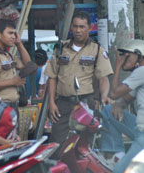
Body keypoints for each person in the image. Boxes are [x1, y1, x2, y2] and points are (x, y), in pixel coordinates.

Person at [44, 11, 113, 158]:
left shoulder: (97, 50)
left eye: (82, 27)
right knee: (57, 144)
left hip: (85, 104)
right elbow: (52, 77)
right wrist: (51, 103)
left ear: (89, 28)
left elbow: (103, 78)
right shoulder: (60, 48)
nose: (78, 30)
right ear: (71, 27)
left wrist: (105, 95)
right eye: (75, 26)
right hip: (61, 103)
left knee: (83, 145)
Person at [100, 39, 144, 173]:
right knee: (108, 110)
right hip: (139, 129)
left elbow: (113, 93)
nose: (123, 58)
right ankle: (116, 155)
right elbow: (125, 99)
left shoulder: (141, 71)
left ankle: (120, 163)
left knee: (120, 171)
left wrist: (117, 66)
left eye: (127, 55)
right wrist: (118, 105)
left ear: (139, 55)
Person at [0, 18, 32, 107]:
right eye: (10, 33)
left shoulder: (7, 55)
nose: (13, 37)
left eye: (14, 33)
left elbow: (28, 65)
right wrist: (13, 81)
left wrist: (19, 44)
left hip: (12, 105)